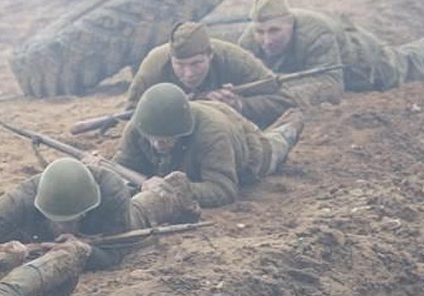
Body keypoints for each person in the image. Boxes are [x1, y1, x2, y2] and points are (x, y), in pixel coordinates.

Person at [0, 157, 198, 271]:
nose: (63, 227)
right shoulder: (25, 196)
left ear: (87, 211)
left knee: (144, 211)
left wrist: (84, 250)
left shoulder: (110, 191)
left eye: (71, 219)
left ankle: (171, 190)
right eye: (56, 219)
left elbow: (117, 251)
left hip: (117, 223)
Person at [237, 0, 424, 106]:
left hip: (361, 62)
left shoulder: (315, 33)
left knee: (405, 63)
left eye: (274, 31)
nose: (266, 40)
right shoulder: (249, 39)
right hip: (317, 65)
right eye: (260, 32)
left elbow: (330, 85)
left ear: (291, 24)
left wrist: (275, 87)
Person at [115, 83, 305, 208]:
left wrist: (177, 189)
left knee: (275, 147)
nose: (157, 144)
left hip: (248, 148)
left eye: (167, 138)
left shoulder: (213, 134)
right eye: (152, 137)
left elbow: (224, 189)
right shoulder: (139, 126)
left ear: (183, 132)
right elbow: (121, 170)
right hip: (202, 114)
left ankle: (292, 123)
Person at [126, 21, 295, 128]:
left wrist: (240, 105)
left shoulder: (235, 59)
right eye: (180, 65)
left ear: (211, 55)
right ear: (170, 59)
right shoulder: (153, 67)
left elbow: (285, 101)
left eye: (196, 63)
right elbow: (131, 117)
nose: (189, 73)